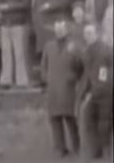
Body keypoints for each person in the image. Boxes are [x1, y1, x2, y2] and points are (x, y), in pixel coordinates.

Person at [41, 20, 83, 157]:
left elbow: (80, 66)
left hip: (68, 87)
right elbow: (44, 65)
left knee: (70, 118)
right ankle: (60, 148)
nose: (58, 31)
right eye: (56, 28)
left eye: (61, 28)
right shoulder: (49, 46)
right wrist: (46, 78)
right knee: (55, 119)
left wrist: (74, 77)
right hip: (53, 87)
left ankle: (77, 146)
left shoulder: (74, 46)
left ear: (67, 30)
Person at [77, 24, 113, 160]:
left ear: (97, 34)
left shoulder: (106, 51)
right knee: (90, 121)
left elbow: (106, 74)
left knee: (105, 122)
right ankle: (96, 149)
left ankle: (106, 150)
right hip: (91, 92)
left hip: (105, 92)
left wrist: (96, 90)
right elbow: (86, 73)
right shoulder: (86, 52)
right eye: (86, 33)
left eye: (90, 33)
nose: (88, 36)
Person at [0, 0, 32, 88]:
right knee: (5, 53)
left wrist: (9, 6)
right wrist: (2, 8)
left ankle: (21, 80)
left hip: (19, 23)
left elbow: (26, 4)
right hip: (5, 24)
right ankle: (6, 79)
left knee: (19, 53)